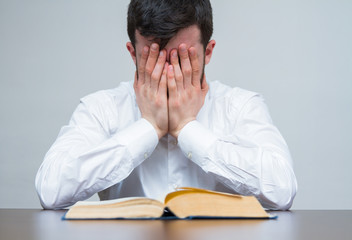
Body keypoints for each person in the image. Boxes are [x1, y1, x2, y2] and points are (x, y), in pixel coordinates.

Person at [35, 0, 297, 210]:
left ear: (208, 52)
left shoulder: (241, 106)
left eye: (182, 58)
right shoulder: (101, 107)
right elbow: (51, 190)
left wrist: (187, 129)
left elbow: (282, 190)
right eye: (153, 58)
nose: (168, 73)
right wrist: (148, 128)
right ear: (132, 53)